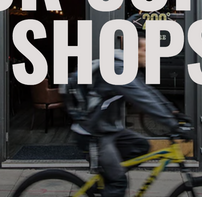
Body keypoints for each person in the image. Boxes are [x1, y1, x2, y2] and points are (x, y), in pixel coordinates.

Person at [76, 14, 190, 197]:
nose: (150, 53)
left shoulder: (128, 68)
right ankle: (111, 182)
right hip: (94, 134)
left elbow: (148, 92)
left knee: (141, 147)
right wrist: (172, 124)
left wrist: (174, 112)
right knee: (119, 182)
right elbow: (142, 99)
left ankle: (104, 181)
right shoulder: (118, 68)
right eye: (146, 49)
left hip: (110, 130)